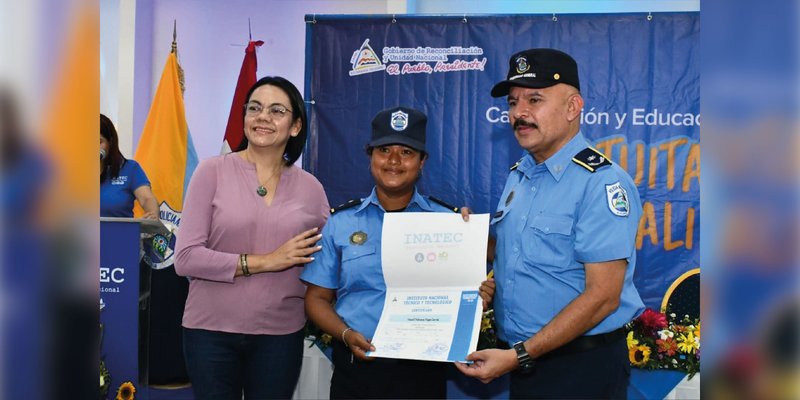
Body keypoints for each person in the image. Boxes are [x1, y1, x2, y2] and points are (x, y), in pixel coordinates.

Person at [455, 48, 645, 399]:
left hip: (580, 370)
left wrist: (520, 355)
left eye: (535, 100)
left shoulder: (600, 183)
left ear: (573, 108)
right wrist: (461, 236)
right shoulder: (521, 176)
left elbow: (603, 297)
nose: (519, 114)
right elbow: (514, 254)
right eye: (513, 103)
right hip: (526, 362)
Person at [174, 76, 329, 400]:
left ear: (296, 126)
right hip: (209, 332)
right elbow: (186, 257)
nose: (262, 117)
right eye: (255, 108)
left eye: (276, 110)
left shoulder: (311, 188)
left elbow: (331, 256)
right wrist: (265, 262)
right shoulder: (211, 172)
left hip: (280, 334)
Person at [302, 106, 468, 399]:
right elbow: (316, 299)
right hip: (356, 370)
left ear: (422, 161)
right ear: (370, 157)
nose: (393, 160)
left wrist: (469, 239)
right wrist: (344, 334)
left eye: (406, 152)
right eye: (384, 150)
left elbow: (466, 295)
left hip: (422, 371)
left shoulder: (448, 223)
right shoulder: (341, 222)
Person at [100, 113, 159, 218]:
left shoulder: (130, 169)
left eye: (99, 141)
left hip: (121, 233)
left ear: (111, 142)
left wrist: (152, 213)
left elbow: (146, 198)